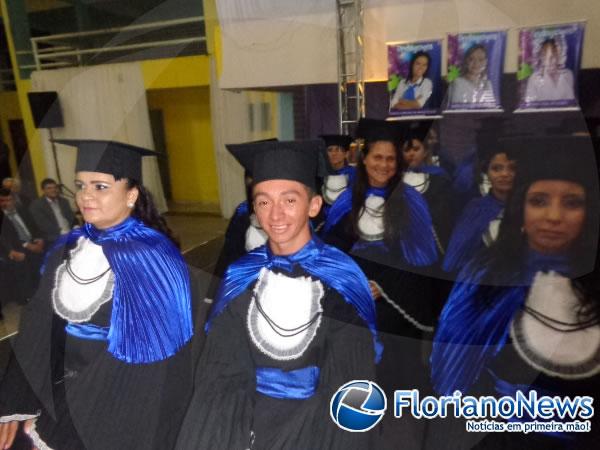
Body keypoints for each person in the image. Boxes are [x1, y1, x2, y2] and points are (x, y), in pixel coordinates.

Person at [176, 140, 379, 450]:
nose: (275, 215)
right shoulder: (241, 275)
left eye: (289, 200)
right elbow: (221, 369)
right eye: (264, 202)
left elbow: (351, 378)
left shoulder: (341, 277)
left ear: (313, 205)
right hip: (249, 424)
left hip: (317, 428)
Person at [0, 139, 194, 450]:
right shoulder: (68, 247)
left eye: (100, 186)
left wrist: (61, 419)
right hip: (59, 389)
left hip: (119, 405)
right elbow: (38, 324)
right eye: (80, 185)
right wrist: (16, 402)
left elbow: (147, 363)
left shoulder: (154, 259)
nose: (86, 195)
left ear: (131, 194)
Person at [430, 134, 599, 449]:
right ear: (521, 207)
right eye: (539, 201)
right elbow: (453, 382)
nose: (553, 216)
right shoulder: (486, 276)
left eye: (572, 202)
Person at [443, 126, 517, 275]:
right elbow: (454, 261)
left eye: (512, 168)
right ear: (487, 172)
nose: (505, 174)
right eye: (497, 168)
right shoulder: (476, 209)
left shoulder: (528, 207)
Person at [402, 120, 456, 252]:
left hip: (431, 242)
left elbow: (445, 217)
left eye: (416, 149)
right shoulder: (394, 181)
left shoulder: (439, 180)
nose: (411, 154)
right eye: (406, 150)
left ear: (425, 151)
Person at [0, 188, 44, 310]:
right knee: (22, 263)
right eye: (2, 201)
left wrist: (40, 240)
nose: (5, 203)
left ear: (14, 200)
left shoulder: (23, 211)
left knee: (47, 257)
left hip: (32, 242)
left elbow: (35, 227)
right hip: (15, 248)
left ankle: (44, 292)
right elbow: (3, 240)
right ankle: (28, 298)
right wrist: (14, 250)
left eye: (8, 200)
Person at [524, 38, 575, 103]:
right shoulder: (534, 79)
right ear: (541, 58)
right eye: (545, 57)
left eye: (552, 57)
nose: (549, 62)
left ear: (558, 56)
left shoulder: (568, 75)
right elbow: (530, 107)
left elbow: (571, 103)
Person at [29, 178, 76, 246]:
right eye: (49, 188)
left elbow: (71, 217)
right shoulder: (36, 205)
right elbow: (43, 225)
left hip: (70, 232)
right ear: (43, 190)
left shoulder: (64, 201)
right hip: (52, 236)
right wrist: (63, 233)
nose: (53, 190)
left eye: (55, 187)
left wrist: (75, 227)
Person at [320, 134, 356, 207]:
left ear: (346, 154)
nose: (334, 153)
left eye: (338, 149)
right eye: (330, 150)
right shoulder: (320, 175)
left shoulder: (355, 174)